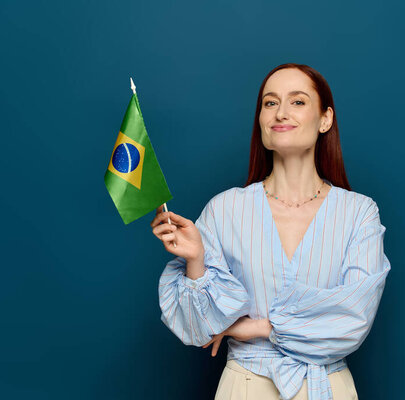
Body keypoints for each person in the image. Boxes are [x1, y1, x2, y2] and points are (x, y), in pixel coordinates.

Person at [151, 63, 391, 400]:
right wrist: (196, 261)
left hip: (326, 387)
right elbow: (199, 328)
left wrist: (259, 326)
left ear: (325, 119)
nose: (280, 113)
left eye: (297, 102)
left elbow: (353, 320)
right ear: (261, 120)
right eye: (269, 102)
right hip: (246, 385)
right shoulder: (225, 209)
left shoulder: (358, 213)